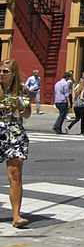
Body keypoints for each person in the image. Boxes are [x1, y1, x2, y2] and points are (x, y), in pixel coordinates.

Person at [0, 59, 32, 228]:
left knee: (15, 174)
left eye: (6, 71)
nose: (2, 74)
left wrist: (20, 106)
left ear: (13, 74)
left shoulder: (22, 91)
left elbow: (27, 114)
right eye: (1, 71)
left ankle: (16, 216)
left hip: (14, 133)